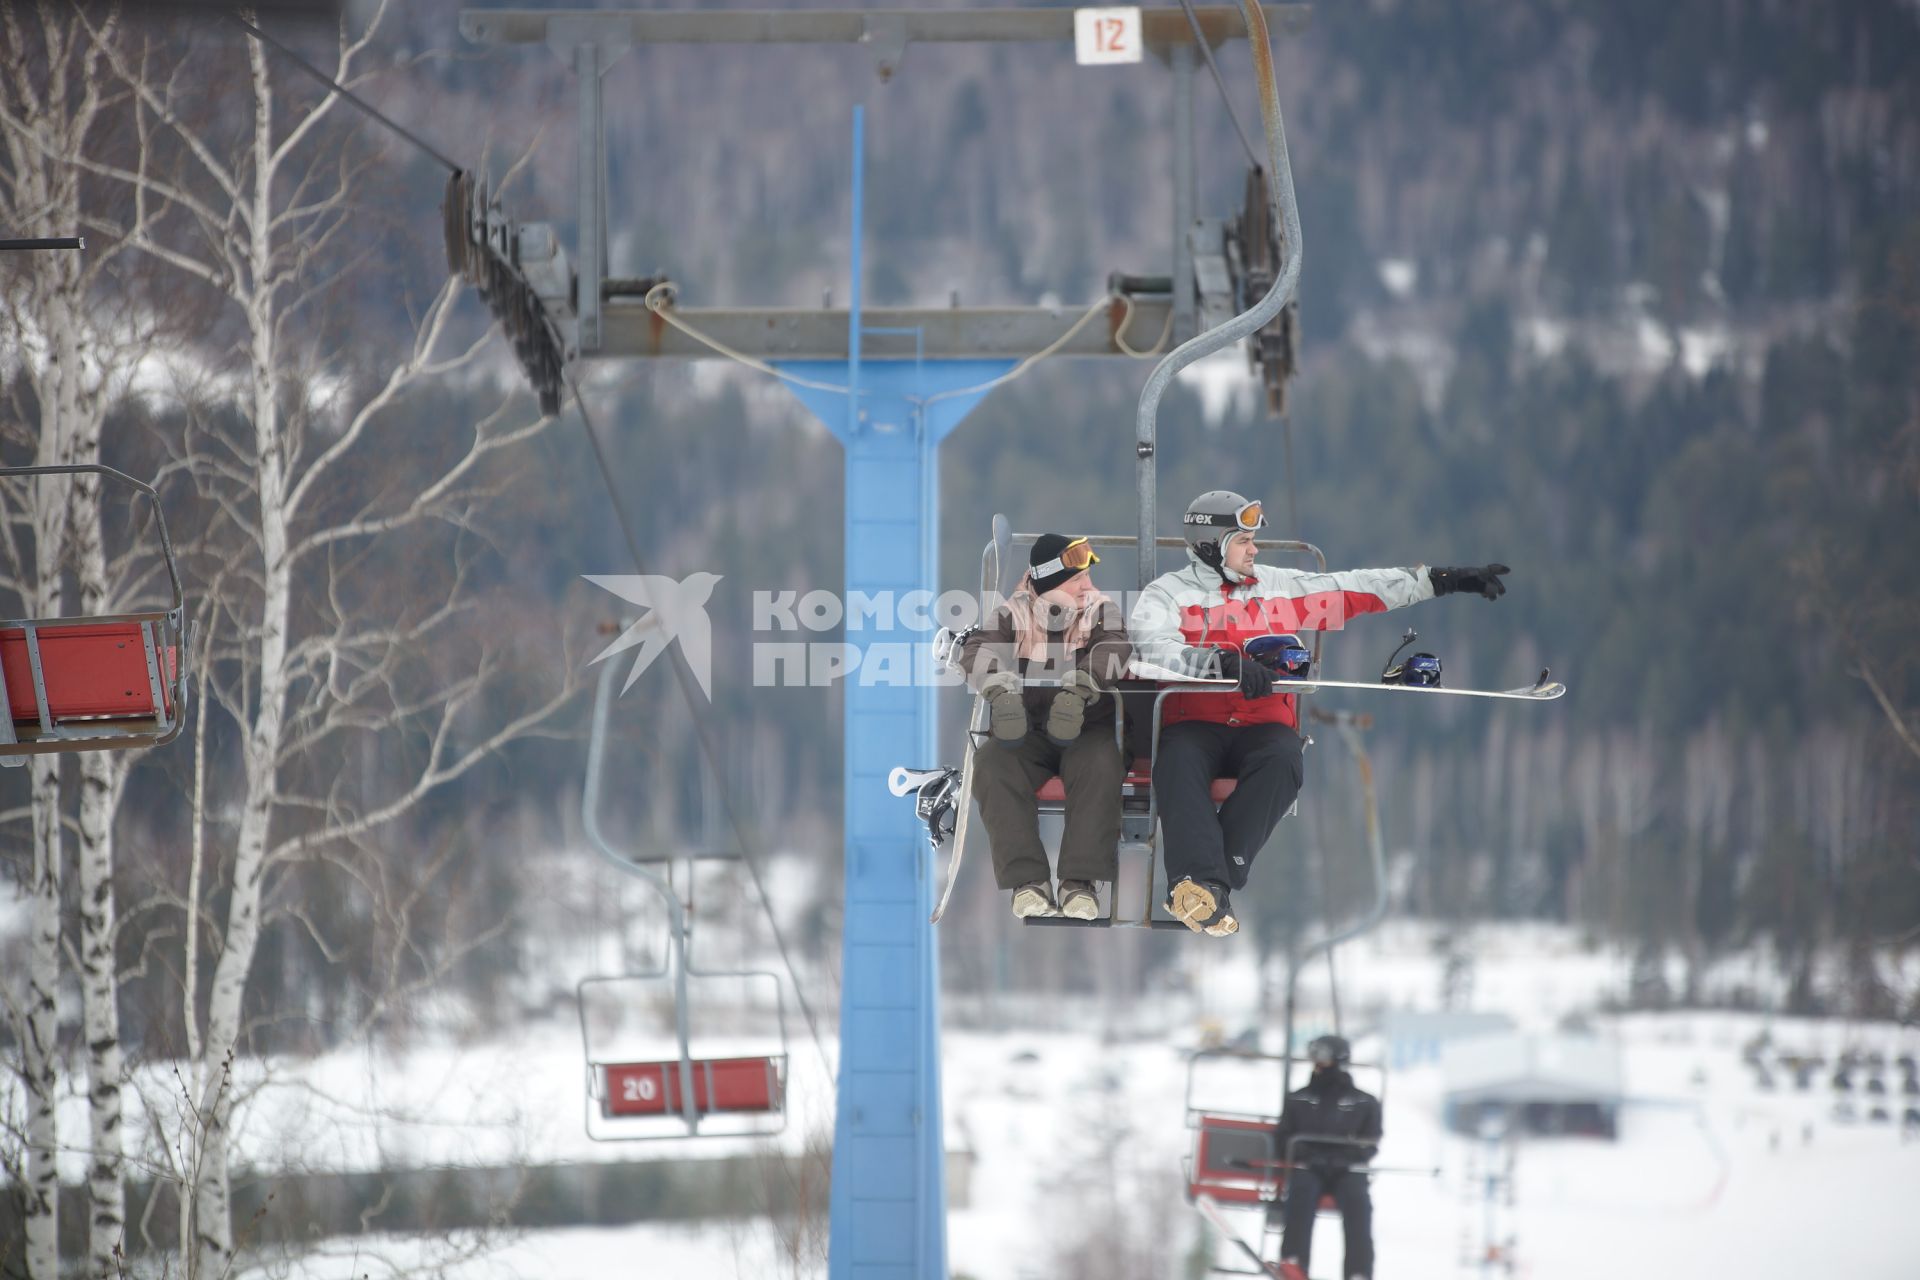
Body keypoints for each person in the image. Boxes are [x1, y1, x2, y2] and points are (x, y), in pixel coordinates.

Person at [1130, 489, 1510, 935]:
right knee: (1177, 763)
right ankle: (1203, 885)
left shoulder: (1279, 589)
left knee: (1285, 761)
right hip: (1195, 723)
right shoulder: (1168, 595)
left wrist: (1443, 580)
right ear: (1212, 544)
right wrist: (1218, 661)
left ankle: (1204, 886)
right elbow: (1151, 645)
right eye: (1243, 540)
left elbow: (1358, 589)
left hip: (1261, 725)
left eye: (1254, 540)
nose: (1254, 550)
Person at [961, 535, 1132, 919]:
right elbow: (978, 650)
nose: (1088, 587)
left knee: (1101, 765)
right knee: (991, 765)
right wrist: (1000, 692)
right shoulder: (1013, 615)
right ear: (1052, 584)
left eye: (1087, 578)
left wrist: (1080, 688)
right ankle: (1028, 881)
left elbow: (1115, 648)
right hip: (1029, 731)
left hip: (1089, 729)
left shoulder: (1101, 611)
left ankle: (1079, 882)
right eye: (1077, 581)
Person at [1270, 1035, 1382, 1280]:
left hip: (1347, 1169)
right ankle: (1294, 1262)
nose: (1317, 1063)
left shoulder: (1364, 1102)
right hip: (1310, 1166)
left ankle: (1358, 1271)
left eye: (1322, 1056)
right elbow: (1283, 1137)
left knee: (1358, 1202)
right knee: (1301, 1191)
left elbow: (1371, 1141)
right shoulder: (1298, 1099)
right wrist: (1309, 1156)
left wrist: (1345, 1158)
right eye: (1315, 1056)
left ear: (1338, 1059)